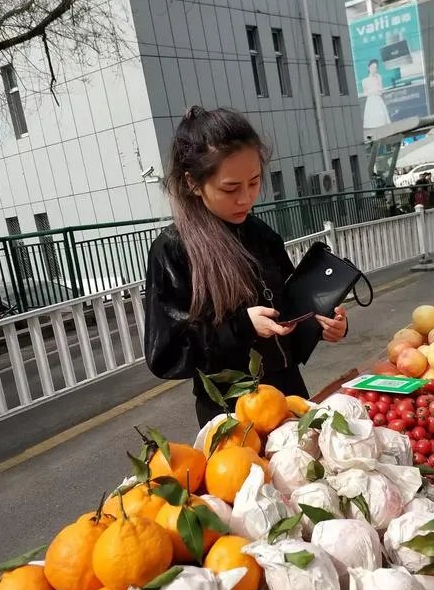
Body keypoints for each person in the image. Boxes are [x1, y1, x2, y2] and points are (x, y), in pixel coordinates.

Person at [144, 106, 349, 427]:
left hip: (289, 396)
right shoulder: (173, 250)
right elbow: (166, 355)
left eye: (254, 182)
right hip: (230, 414)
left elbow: (286, 312)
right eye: (230, 188)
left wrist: (323, 324)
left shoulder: (261, 235)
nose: (245, 199)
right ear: (192, 183)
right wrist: (241, 327)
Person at [362, 59, 390, 130]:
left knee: (382, 118)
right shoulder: (364, 81)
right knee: (373, 120)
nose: (374, 69)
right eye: (372, 67)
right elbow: (365, 93)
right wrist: (371, 93)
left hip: (378, 100)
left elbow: (381, 90)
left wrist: (378, 90)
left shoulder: (378, 77)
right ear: (368, 68)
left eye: (375, 67)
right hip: (371, 101)